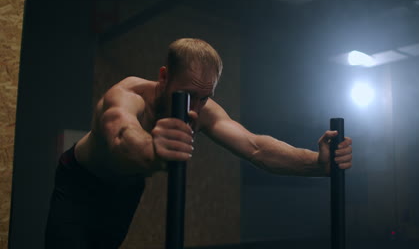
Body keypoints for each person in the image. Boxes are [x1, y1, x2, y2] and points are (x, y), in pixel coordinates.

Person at [45, 38, 352, 248]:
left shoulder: (202, 109)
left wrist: (316, 163)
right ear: (164, 77)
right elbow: (121, 136)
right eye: (188, 94)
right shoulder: (127, 95)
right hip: (79, 185)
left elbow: (255, 147)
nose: (195, 107)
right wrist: (152, 149)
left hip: (124, 192)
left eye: (205, 97)